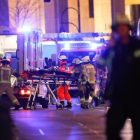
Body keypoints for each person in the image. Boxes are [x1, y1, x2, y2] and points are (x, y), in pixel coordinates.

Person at [98, 14, 140, 140]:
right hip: (118, 95)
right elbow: (100, 63)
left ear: (128, 28)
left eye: (124, 27)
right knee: (112, 131)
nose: (121, 29)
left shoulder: (136, 45)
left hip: (137, 95)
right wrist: (109, 47)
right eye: (119, 27)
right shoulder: (113, 47)